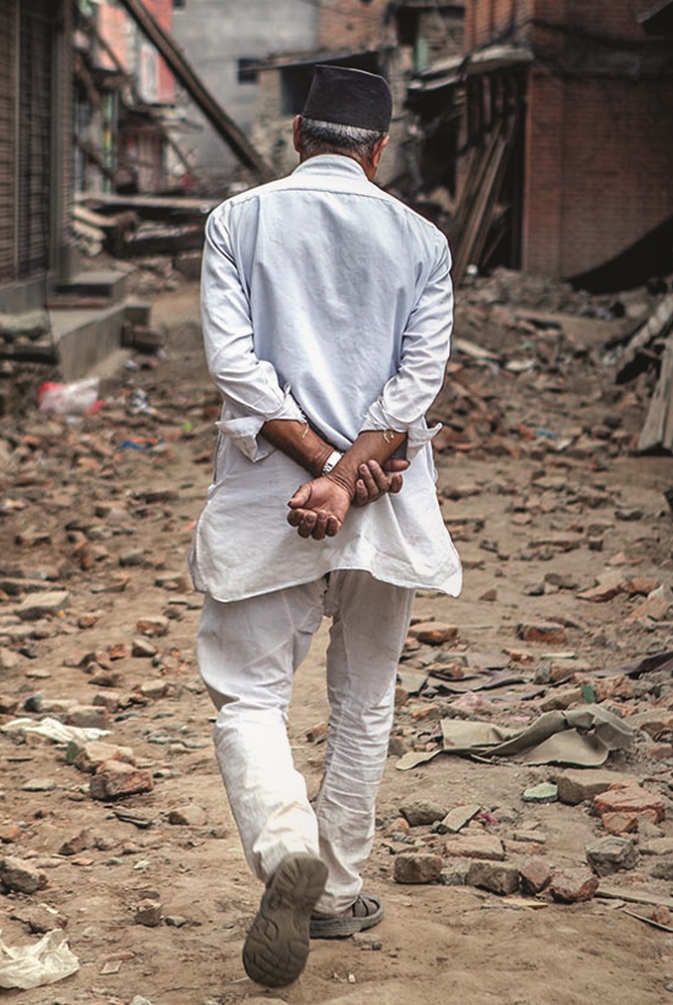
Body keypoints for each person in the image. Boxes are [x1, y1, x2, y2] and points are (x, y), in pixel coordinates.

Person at [189, 65, 460, 989]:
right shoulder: (421, 241)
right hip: (386, 499)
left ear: (299, 132)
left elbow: (237, 368)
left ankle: (284, 845)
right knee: (364, 700)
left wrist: (318, 476)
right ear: (378, 148)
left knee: (251, 696)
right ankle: (337, 891)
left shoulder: (237, 222)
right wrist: (352, 477)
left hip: (270, 495)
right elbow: (413, 389)